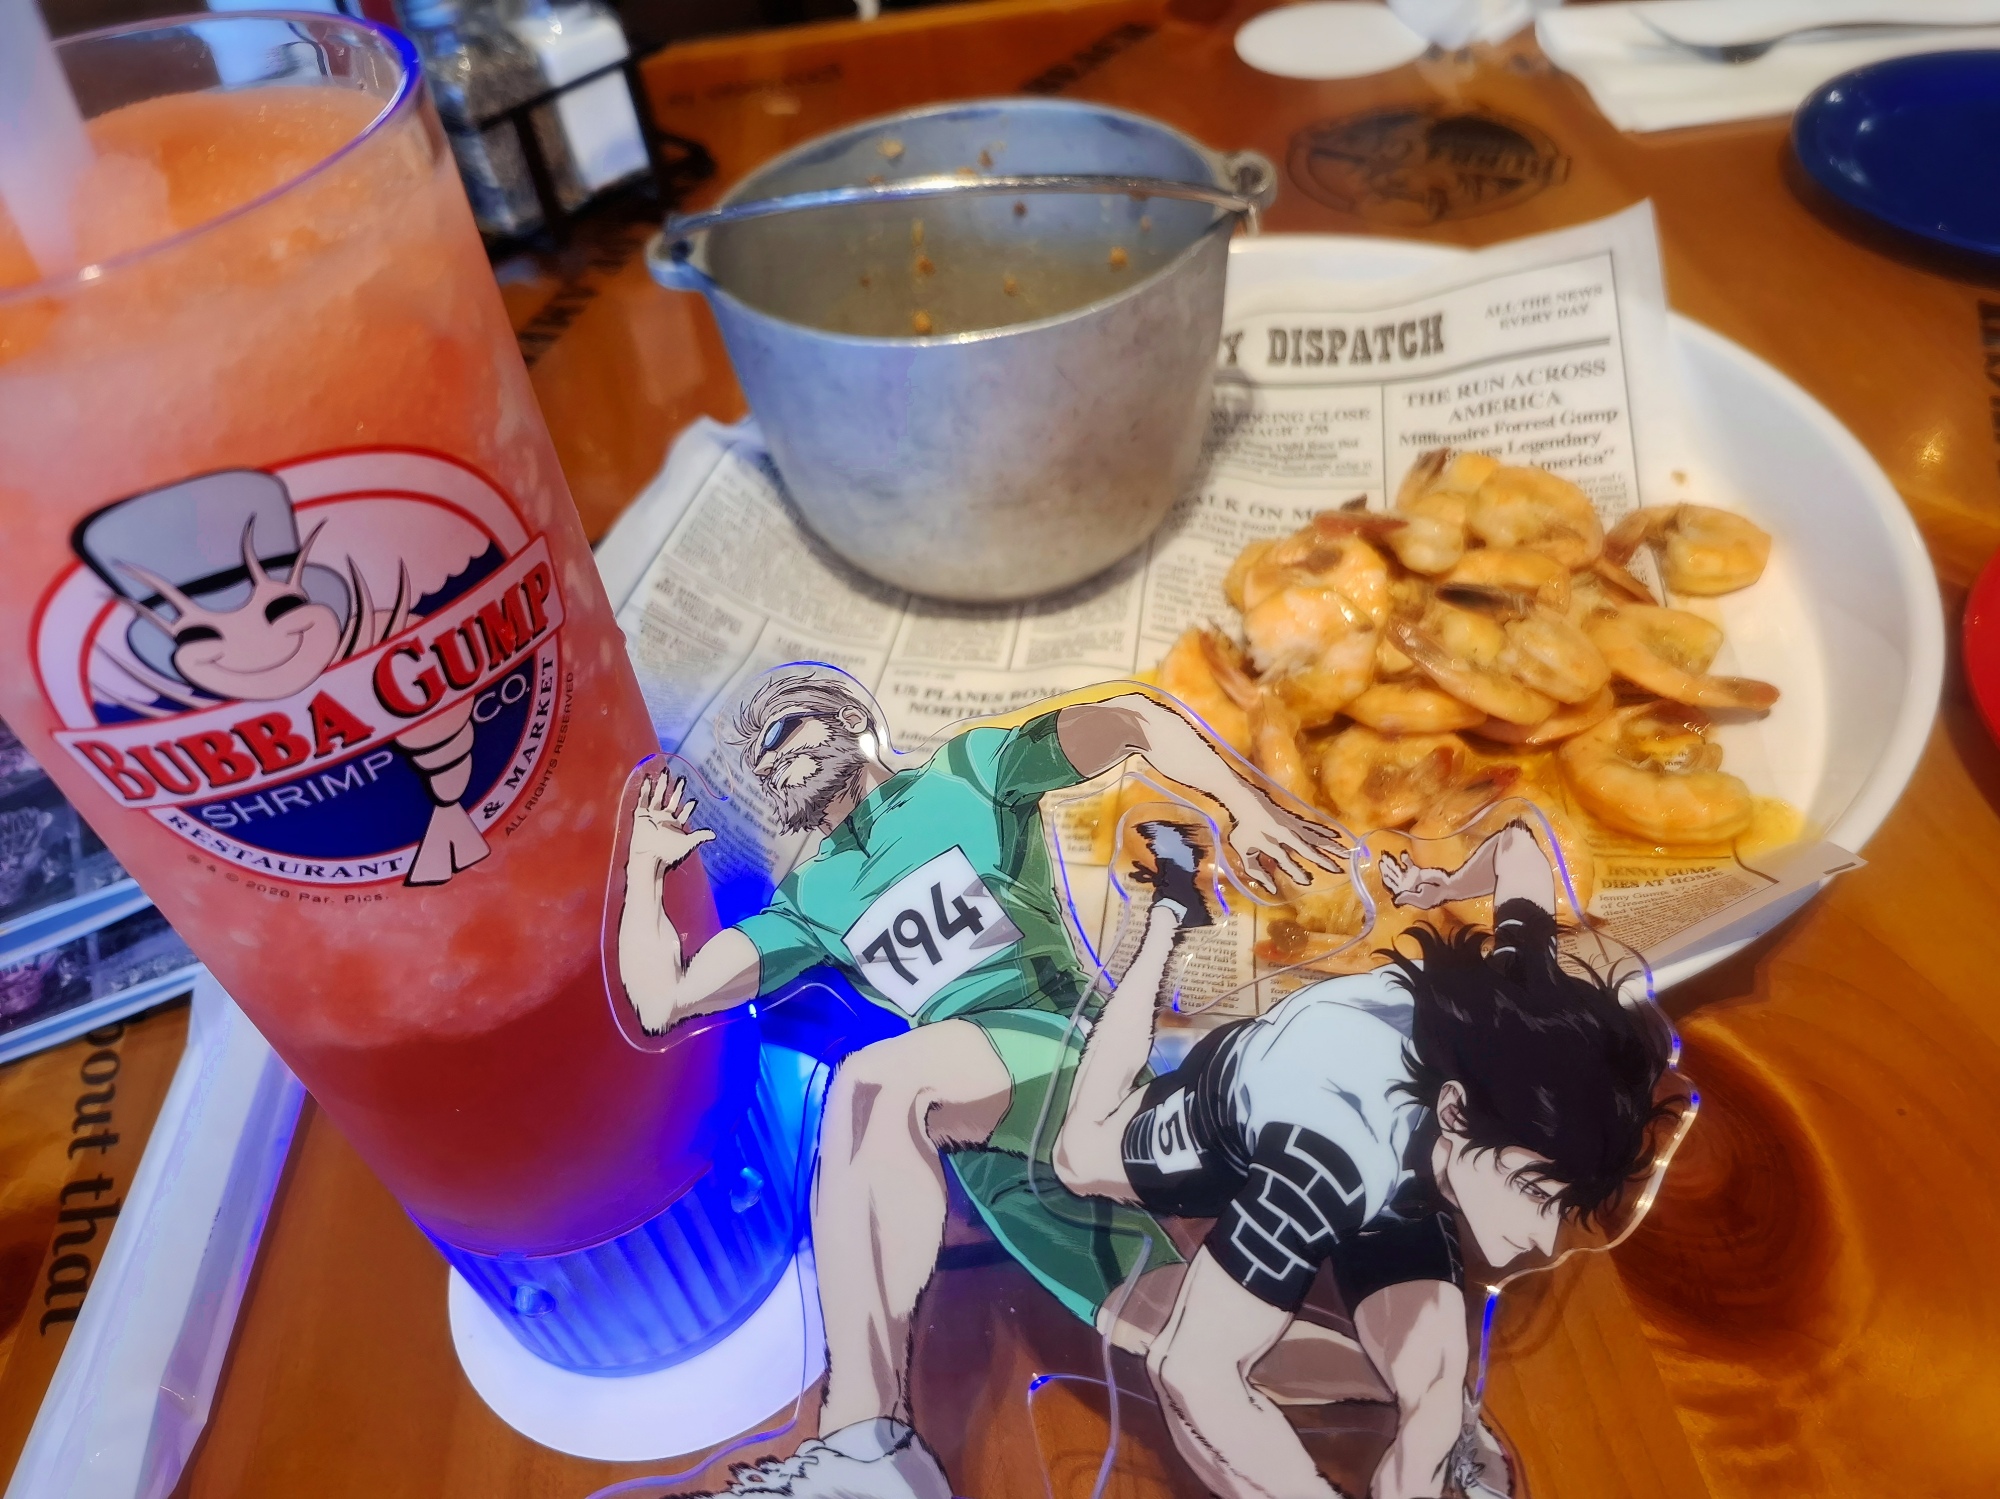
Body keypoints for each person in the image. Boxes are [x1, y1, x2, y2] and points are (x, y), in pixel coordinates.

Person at [615, 667, 1348, 1499]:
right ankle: (1431, 1407)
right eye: (765, 767)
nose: (778, 767)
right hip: (991, 1150)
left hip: (1061, 1053)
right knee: (1191, 1344)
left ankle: (863, 1443)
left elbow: (1135, 716)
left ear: (849, 717)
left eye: (786, 736)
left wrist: (1243, 807)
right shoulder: (812, 896)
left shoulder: (968, 771)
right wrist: (644, 867)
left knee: (873, 1084)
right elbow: (664, 999)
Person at [1048, 816, 1676, 1499]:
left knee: (1438, 1395)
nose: (1545, 1239)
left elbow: (1517, 845)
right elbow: (1191, 1371)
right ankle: (1170, 911)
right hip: (1233, 1121)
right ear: (1456, 1111)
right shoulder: (1320, 1162)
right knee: (1077, 1156)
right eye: (1532, 1190)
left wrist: (1441, 886)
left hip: (1409, 1161)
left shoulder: (1520, 1009)